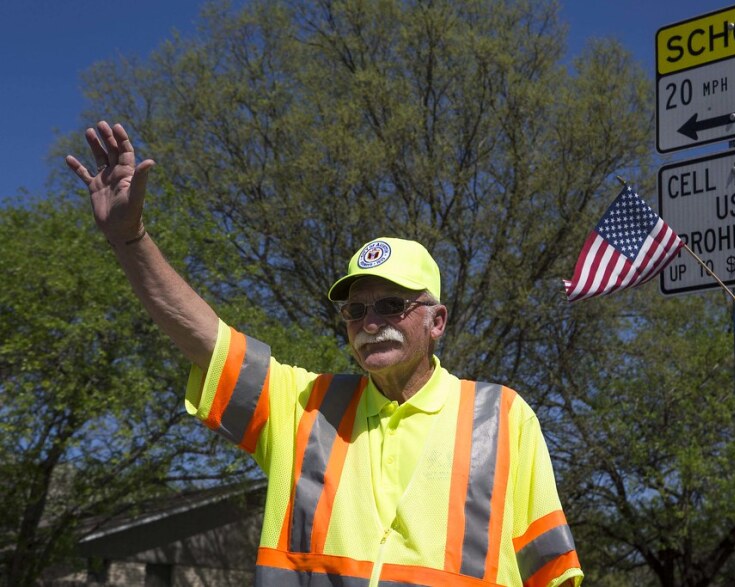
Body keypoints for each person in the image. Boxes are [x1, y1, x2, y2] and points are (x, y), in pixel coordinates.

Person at [66, 122, 583, 587]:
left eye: (391, 305)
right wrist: (130, 240)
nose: (371, 323)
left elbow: (553, 576)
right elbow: (204, 335)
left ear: (437, 321)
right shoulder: (304, 404)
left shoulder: (504, 417)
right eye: (356, 311)